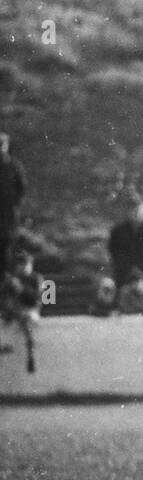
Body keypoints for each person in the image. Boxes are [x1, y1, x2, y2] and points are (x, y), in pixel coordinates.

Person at [107, 197, 143, 308]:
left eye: (140, 211)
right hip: (123, 270)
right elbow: (112, 250)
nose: (137, 214)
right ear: (129, 211)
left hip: (142, 270)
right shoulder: (117, 231)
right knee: (121, 298)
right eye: (134, 210)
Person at [1, 248, 41, 373]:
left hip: (30, 310)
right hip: (14, 311)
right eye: (20, 264)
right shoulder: (13, 279)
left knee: (26, 321)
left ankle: (30, 355)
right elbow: (4, 298)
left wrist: (21, 289)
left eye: (26, 264)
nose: (23, 267)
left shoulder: (37, 278)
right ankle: (5, 347)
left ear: (31, 265)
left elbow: (38, 299)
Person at [0, 133, 27, 282]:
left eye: (1, 145)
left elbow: (22, 188)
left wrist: (14, 203)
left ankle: (5, 281)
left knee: (6, 248)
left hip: (7, 216)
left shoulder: (14, 166)